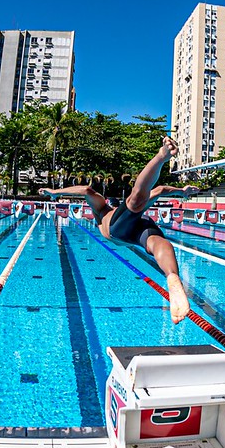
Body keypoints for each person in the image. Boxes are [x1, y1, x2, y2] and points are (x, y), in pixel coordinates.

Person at [41, 137, 198, 324]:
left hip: (121, 229)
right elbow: (162, 189)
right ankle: (172, 276)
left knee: (136, 200)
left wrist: (55, 192)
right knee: (159, 243)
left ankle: (161, 156)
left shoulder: (102, 210)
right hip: (140, 226)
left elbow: (86, 190)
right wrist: (182, 191)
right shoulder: (109, 211)